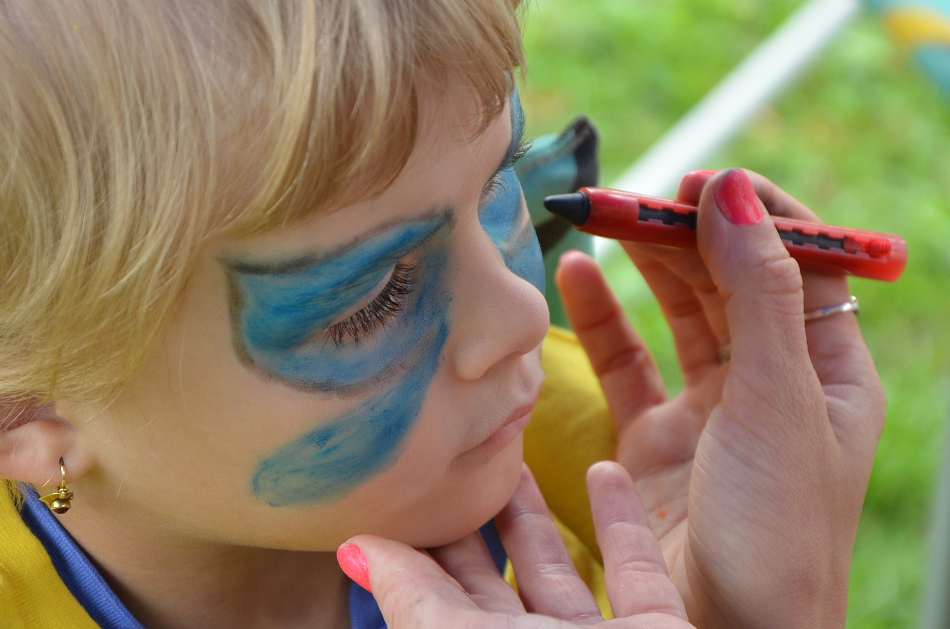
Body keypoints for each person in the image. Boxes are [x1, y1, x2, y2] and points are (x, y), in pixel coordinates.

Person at [0, 1, 885, 628]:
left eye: (500, 182)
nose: (525, 318)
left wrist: (754, 613)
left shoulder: (610, 464)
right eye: (373, 294)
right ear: (28, 407)